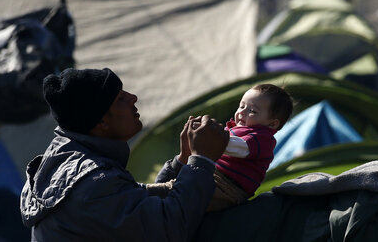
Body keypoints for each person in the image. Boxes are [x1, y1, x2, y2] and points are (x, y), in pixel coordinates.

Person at [20, 67, 229, 241]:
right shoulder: (91, 183)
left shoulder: (67, 160)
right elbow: (168, 228)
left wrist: (181, 164)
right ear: (101, 122)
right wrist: (201, 161)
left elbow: (132, 203)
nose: (133, 97)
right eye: (120, 98)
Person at [204, 83, 293, 211]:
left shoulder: (263, 138)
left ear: (272, 124)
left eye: (252, 111)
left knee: (192, 193)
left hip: (229, 188)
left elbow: (240, 148)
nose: (242, 112)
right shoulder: (233, 128)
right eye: (242, 106)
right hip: (214, 176)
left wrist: (209, 138)